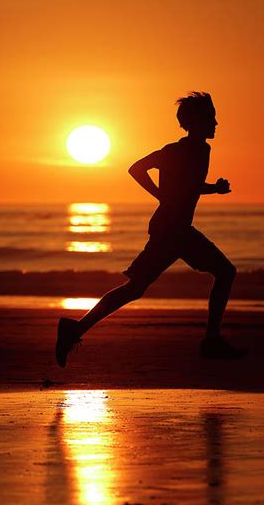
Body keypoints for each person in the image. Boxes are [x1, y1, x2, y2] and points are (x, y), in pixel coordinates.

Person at [55, 91, 247, 367]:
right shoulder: (175, 151)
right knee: (223, 272)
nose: (216, 123)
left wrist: (213, 189)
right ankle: (212, 341)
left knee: (137, 288)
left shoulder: (200, 150)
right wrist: (160, 195)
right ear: (195, 122)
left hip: (176, 229)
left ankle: (75, 330)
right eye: (211, 117)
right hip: (172, 231)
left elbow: (187, 186)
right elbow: (136, 169)